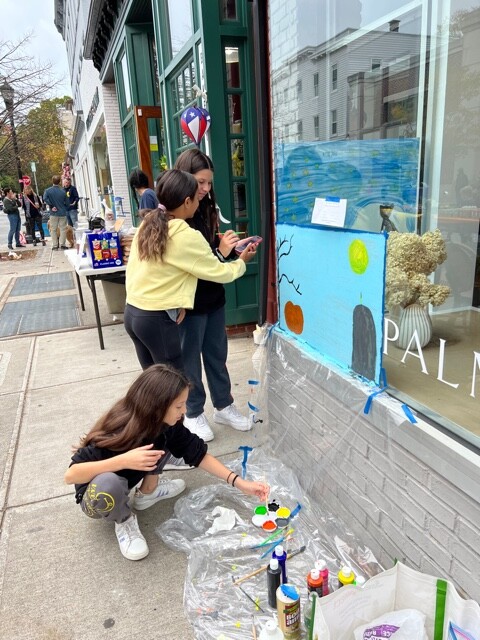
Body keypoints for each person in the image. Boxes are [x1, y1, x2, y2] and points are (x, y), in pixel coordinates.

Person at [64, 364, 268, 561]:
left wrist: (241, 483)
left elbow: (199, 455)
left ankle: (147, 493)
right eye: (179, 405)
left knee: (167, 441)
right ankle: (124, 520)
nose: (184, 410)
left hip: (130, 473)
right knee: (109, 484)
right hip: (96, 494)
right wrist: (123, 460)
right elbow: (71, 475)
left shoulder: (165, 423)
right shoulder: (121, 428)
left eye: (185, 403)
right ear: (156, 405)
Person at [124, 169, 257, 374]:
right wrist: (242, 261)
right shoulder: (184, 235)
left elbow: (151, 270)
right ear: (187, 201)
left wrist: (178, 302)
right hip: (157, 319)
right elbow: (219, 272)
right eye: (196, 197)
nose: (199, 201)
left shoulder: (149, 224)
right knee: (173, 386)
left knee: (153, 387)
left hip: (134, 313)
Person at [174, 149, 250, 441]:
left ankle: (223, 405)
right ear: (184, 179)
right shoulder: (176, 217)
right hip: (189, 304)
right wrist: (223, 253)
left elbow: (209, 255)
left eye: (209, 183)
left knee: (217, 356)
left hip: (213, 298)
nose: (206, 189)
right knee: (190, 360)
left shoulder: (205, 208)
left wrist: (227, 247)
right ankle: (194, 413)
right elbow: (199, 264)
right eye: (200, 182)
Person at [43, 175, 70, 250]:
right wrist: (64, 207)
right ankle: (62, 244)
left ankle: (55, 245)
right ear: (59, 182)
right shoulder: (63, 191)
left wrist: (51, 205)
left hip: (53, 213)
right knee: (63, 229)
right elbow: (67, 203)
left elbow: (44, 198)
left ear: (52, 181)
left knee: (53, 229)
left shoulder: (48, 191)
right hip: (62, 212)